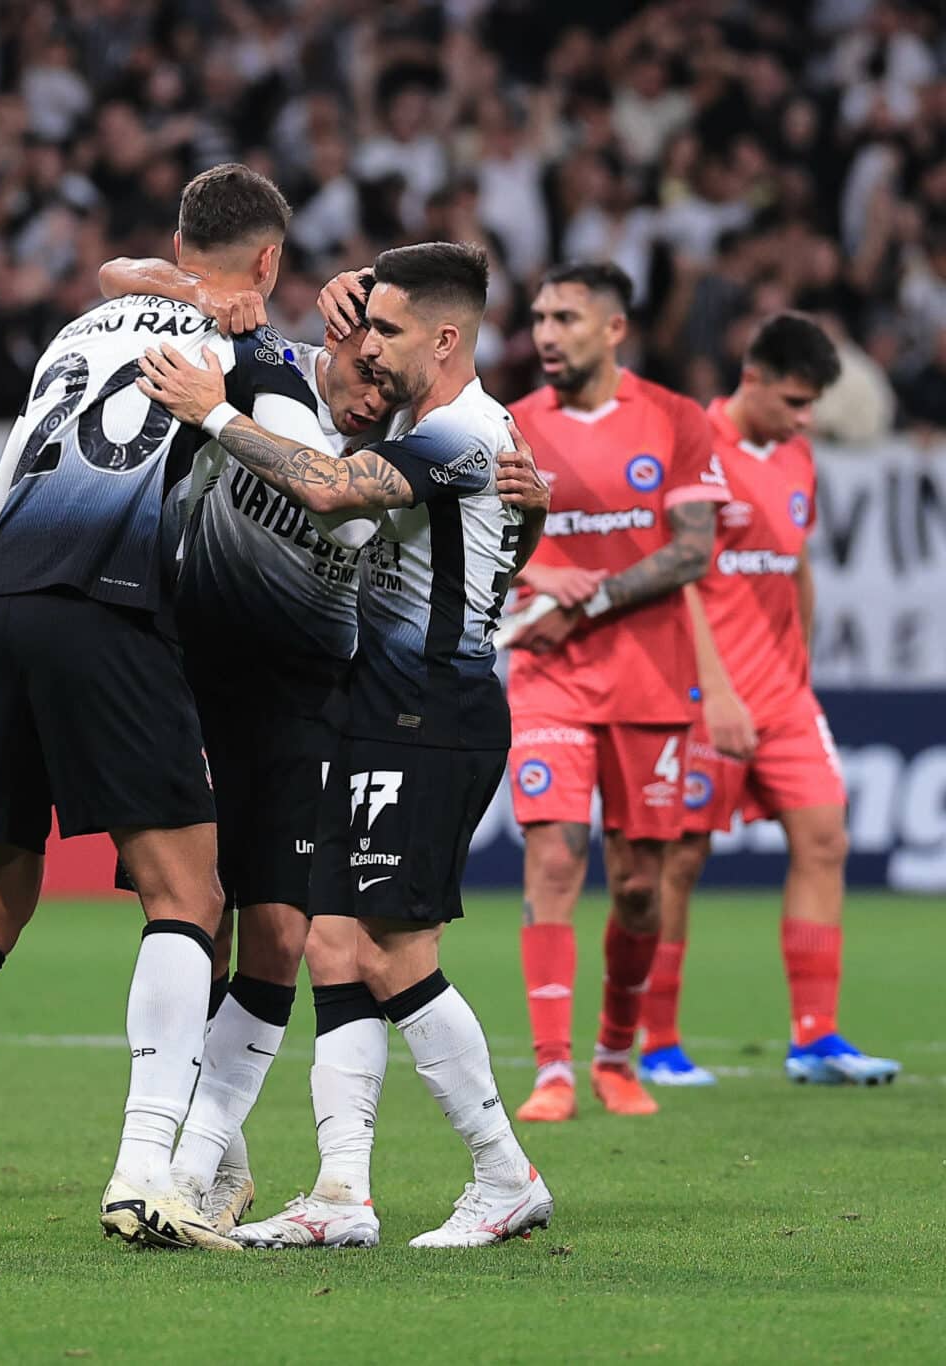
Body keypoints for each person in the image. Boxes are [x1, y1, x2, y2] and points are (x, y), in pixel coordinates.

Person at [0, 165, 302, 1255]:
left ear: (173, 241)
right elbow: (312, 475)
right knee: (189, 895)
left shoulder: (84, 323)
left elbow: (123, 277)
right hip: (108, 601)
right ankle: (143, 1171)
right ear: (266, 263)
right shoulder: (245, 354)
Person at [137, 241, 555, 1249]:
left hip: (428, 714)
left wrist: (213, 411)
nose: (371, 348)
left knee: (388, 951)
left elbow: (327, 488)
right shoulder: (465, 436)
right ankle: (338, 1192)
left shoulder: (456, 430)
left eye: (391, 332)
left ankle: (503, 1174)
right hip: (381, 712)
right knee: (331, 944)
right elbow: (491, 538)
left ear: (445, 339)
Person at [89, 255, 394, 1236]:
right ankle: (199, 1164)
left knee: (277, 935)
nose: (369, 398)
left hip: (300, 696)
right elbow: (112, 275)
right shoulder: (265, 360)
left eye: (387, 389)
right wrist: (201, 294)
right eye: (362, 372)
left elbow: (322, 490)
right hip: (187, 677)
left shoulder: (391, 458)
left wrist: (222, 403)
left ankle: (184, 1162)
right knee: (187, 917)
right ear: (336, 342)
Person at [498, 262, 730, 1123]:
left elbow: (694, 549)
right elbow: (490, 537)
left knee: (639, 885)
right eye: (539, 317)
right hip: (550, 675)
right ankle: (552, 1068)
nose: (547, 333)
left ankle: (614, 1053)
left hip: (651, 681)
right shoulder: (513, 426)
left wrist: (587, 595)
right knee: (555, 856)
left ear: (614, 328)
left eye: (564, 317)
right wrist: (546, 570)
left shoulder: (676, 420)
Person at [644, 314, 900, 1087]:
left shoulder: (796, 454)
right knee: (680, 859)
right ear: (750, 377)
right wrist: (715, 688)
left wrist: (800, 667)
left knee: (825, 840)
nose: (804, 418)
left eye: (810, 404)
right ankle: (655, 1045)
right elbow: (676, 572)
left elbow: (797, 565)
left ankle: (815, 1038)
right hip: (702, 694)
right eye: (792, 400)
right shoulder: (695, 447)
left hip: (784, 696)